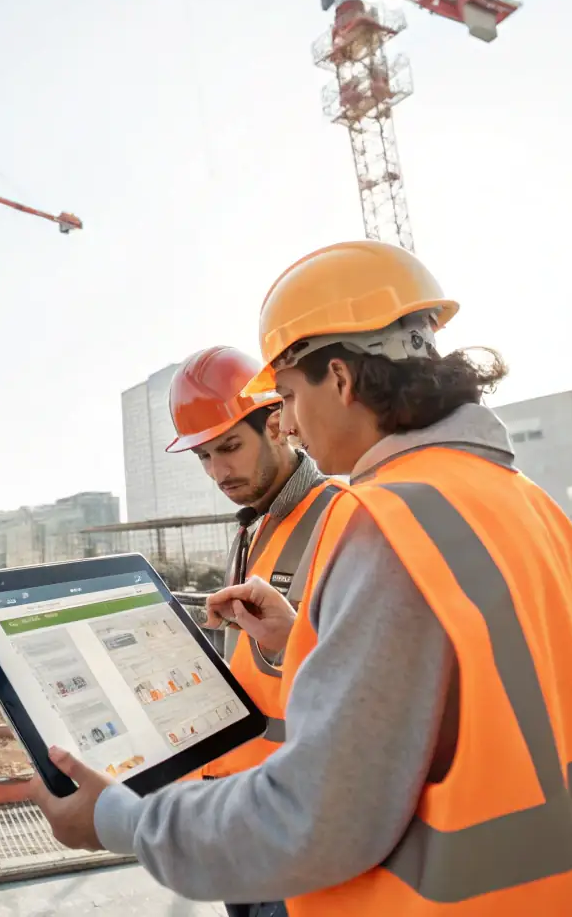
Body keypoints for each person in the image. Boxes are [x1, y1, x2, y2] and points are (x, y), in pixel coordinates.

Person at [34, 240, 572, 915]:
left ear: (337, 380)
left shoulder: (384, 521)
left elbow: (320, 815)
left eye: (286, 397)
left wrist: (118, 820)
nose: (294, 424)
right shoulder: (524, 501)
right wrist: (301, 635)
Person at [165, 346, 341, 917]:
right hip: (236, 810)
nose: (218, 473)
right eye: (205, 458)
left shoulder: (342, 519)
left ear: (276, 425)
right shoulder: (252, 528)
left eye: (230, 448)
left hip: (301, 825)